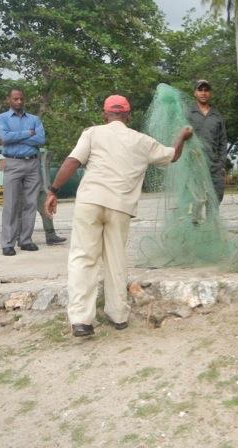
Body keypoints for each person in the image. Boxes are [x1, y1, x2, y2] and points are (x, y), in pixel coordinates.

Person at [44, 95, 193, 337]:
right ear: (128, 115)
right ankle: (118, 316)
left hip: (90, 202)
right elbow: (172, 156)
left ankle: (82, 320)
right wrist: (182, 137)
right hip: (120, 207)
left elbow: (72, 161)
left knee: (83, 259)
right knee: (116, 260)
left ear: (105, 115)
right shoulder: (142, 141)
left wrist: (53, 191)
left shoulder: (92, 133)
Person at [0, 88, 46, 256]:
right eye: (15, 99)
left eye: (21, 99)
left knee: (30, 203)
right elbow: (5, 138)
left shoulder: (34, 119)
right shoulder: (2, 118)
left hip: (32, 163)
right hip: (13, 163)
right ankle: (8, 243)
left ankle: (25, 240)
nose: (19, 102)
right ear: (8, 99)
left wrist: (16, 136)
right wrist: (27, 133)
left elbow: (41, 139)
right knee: (11, 204)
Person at [186, 80, 227, 204]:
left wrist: (221, 163)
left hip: (214, 164)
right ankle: (195, 222)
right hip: (193, 164)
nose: (203, 93)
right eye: (200, 90)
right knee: (195, 201)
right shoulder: (188, 113)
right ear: (195, 93)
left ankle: (211, 222)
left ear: (210, 93)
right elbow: (180, 136)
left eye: (206, 90)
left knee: (216, 196)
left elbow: (223, 141)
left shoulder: (217, 116)